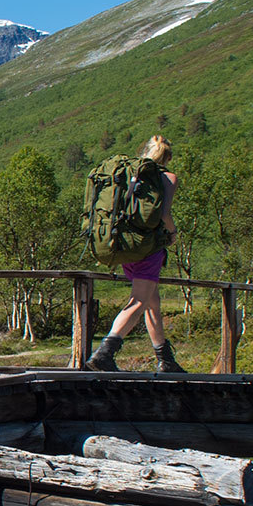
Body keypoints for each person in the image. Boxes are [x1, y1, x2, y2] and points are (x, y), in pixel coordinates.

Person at [89, 135, 184, 373]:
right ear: (167, 157)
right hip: (148, 248)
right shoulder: (168, 177)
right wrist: (173, 233)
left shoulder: (129, 172)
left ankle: (165, 359)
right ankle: (105, 353)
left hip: (124, 243)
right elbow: (164, 214)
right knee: (139, 300)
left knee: (152, 301)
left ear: (145, 151)